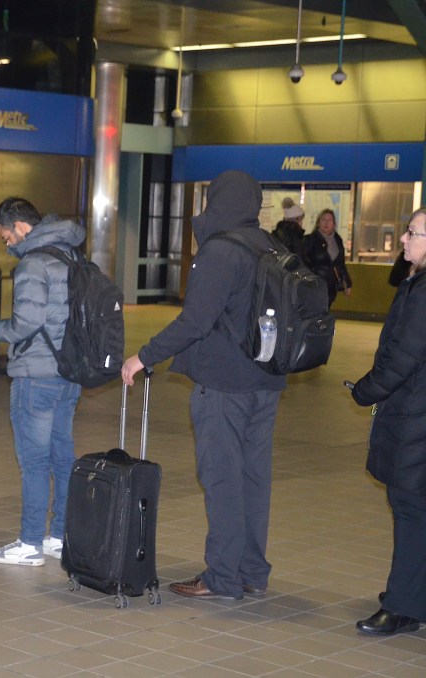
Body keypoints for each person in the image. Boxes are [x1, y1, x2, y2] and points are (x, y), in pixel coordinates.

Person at [122, 170, 286, 600]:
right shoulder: (269, 246)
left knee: (222, 479)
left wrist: (144, 355)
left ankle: (223, 578)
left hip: (224, 385)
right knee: (253, 479)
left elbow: (196, 320)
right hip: (265, 382)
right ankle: (251, 571)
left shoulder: (222, 250)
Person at [0, 197, 84, 566]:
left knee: (34, 461)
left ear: (20, 226)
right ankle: (58, 535)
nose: (6, 244)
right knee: (62, 455)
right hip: (70, 371)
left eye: (5, 236)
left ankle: (29, 544)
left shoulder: (33, 263)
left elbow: (26, 323)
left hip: (37, 375)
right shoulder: (72, 255)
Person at [349, 207, 426, 636]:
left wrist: (365, 390)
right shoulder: (416, 282)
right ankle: (412, 592)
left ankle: (402, 607)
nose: (403, 239)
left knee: (410, 508)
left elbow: (402, 358)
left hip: (416, 418)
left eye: (412, 233)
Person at [301, 208, 353, 306]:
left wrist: (347, 283)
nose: (326, 223)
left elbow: (340, 264)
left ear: (334, 224)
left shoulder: (337, 240)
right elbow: (304, 262)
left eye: (329, 220)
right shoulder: (310, 240)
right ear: (318, 223)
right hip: (314, 285)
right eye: (323, 220)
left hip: (330, 286)